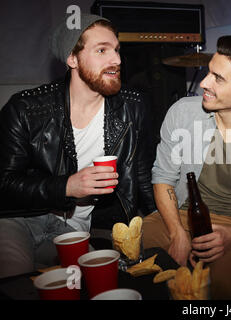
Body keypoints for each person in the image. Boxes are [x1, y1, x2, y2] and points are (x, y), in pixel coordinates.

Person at [0, 14, 155, 278]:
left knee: (98, 281)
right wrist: (67, 186)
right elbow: (3, 183)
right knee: (16, 280)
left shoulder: (132, 107)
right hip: (19, 220)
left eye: (116, 50)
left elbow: (143, 178)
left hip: (75, 230)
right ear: (72, 59)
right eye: (102, 50)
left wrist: (165, 226)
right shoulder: (25, 109)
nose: (116, 60)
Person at [142, 35, 231, 299]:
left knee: (223, 289)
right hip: (179, 214)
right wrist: (177, 234)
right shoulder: (182, 113)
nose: (204, 83)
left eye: (218, 78)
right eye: (209, 72)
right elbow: (162, 177)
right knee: (145, 265)